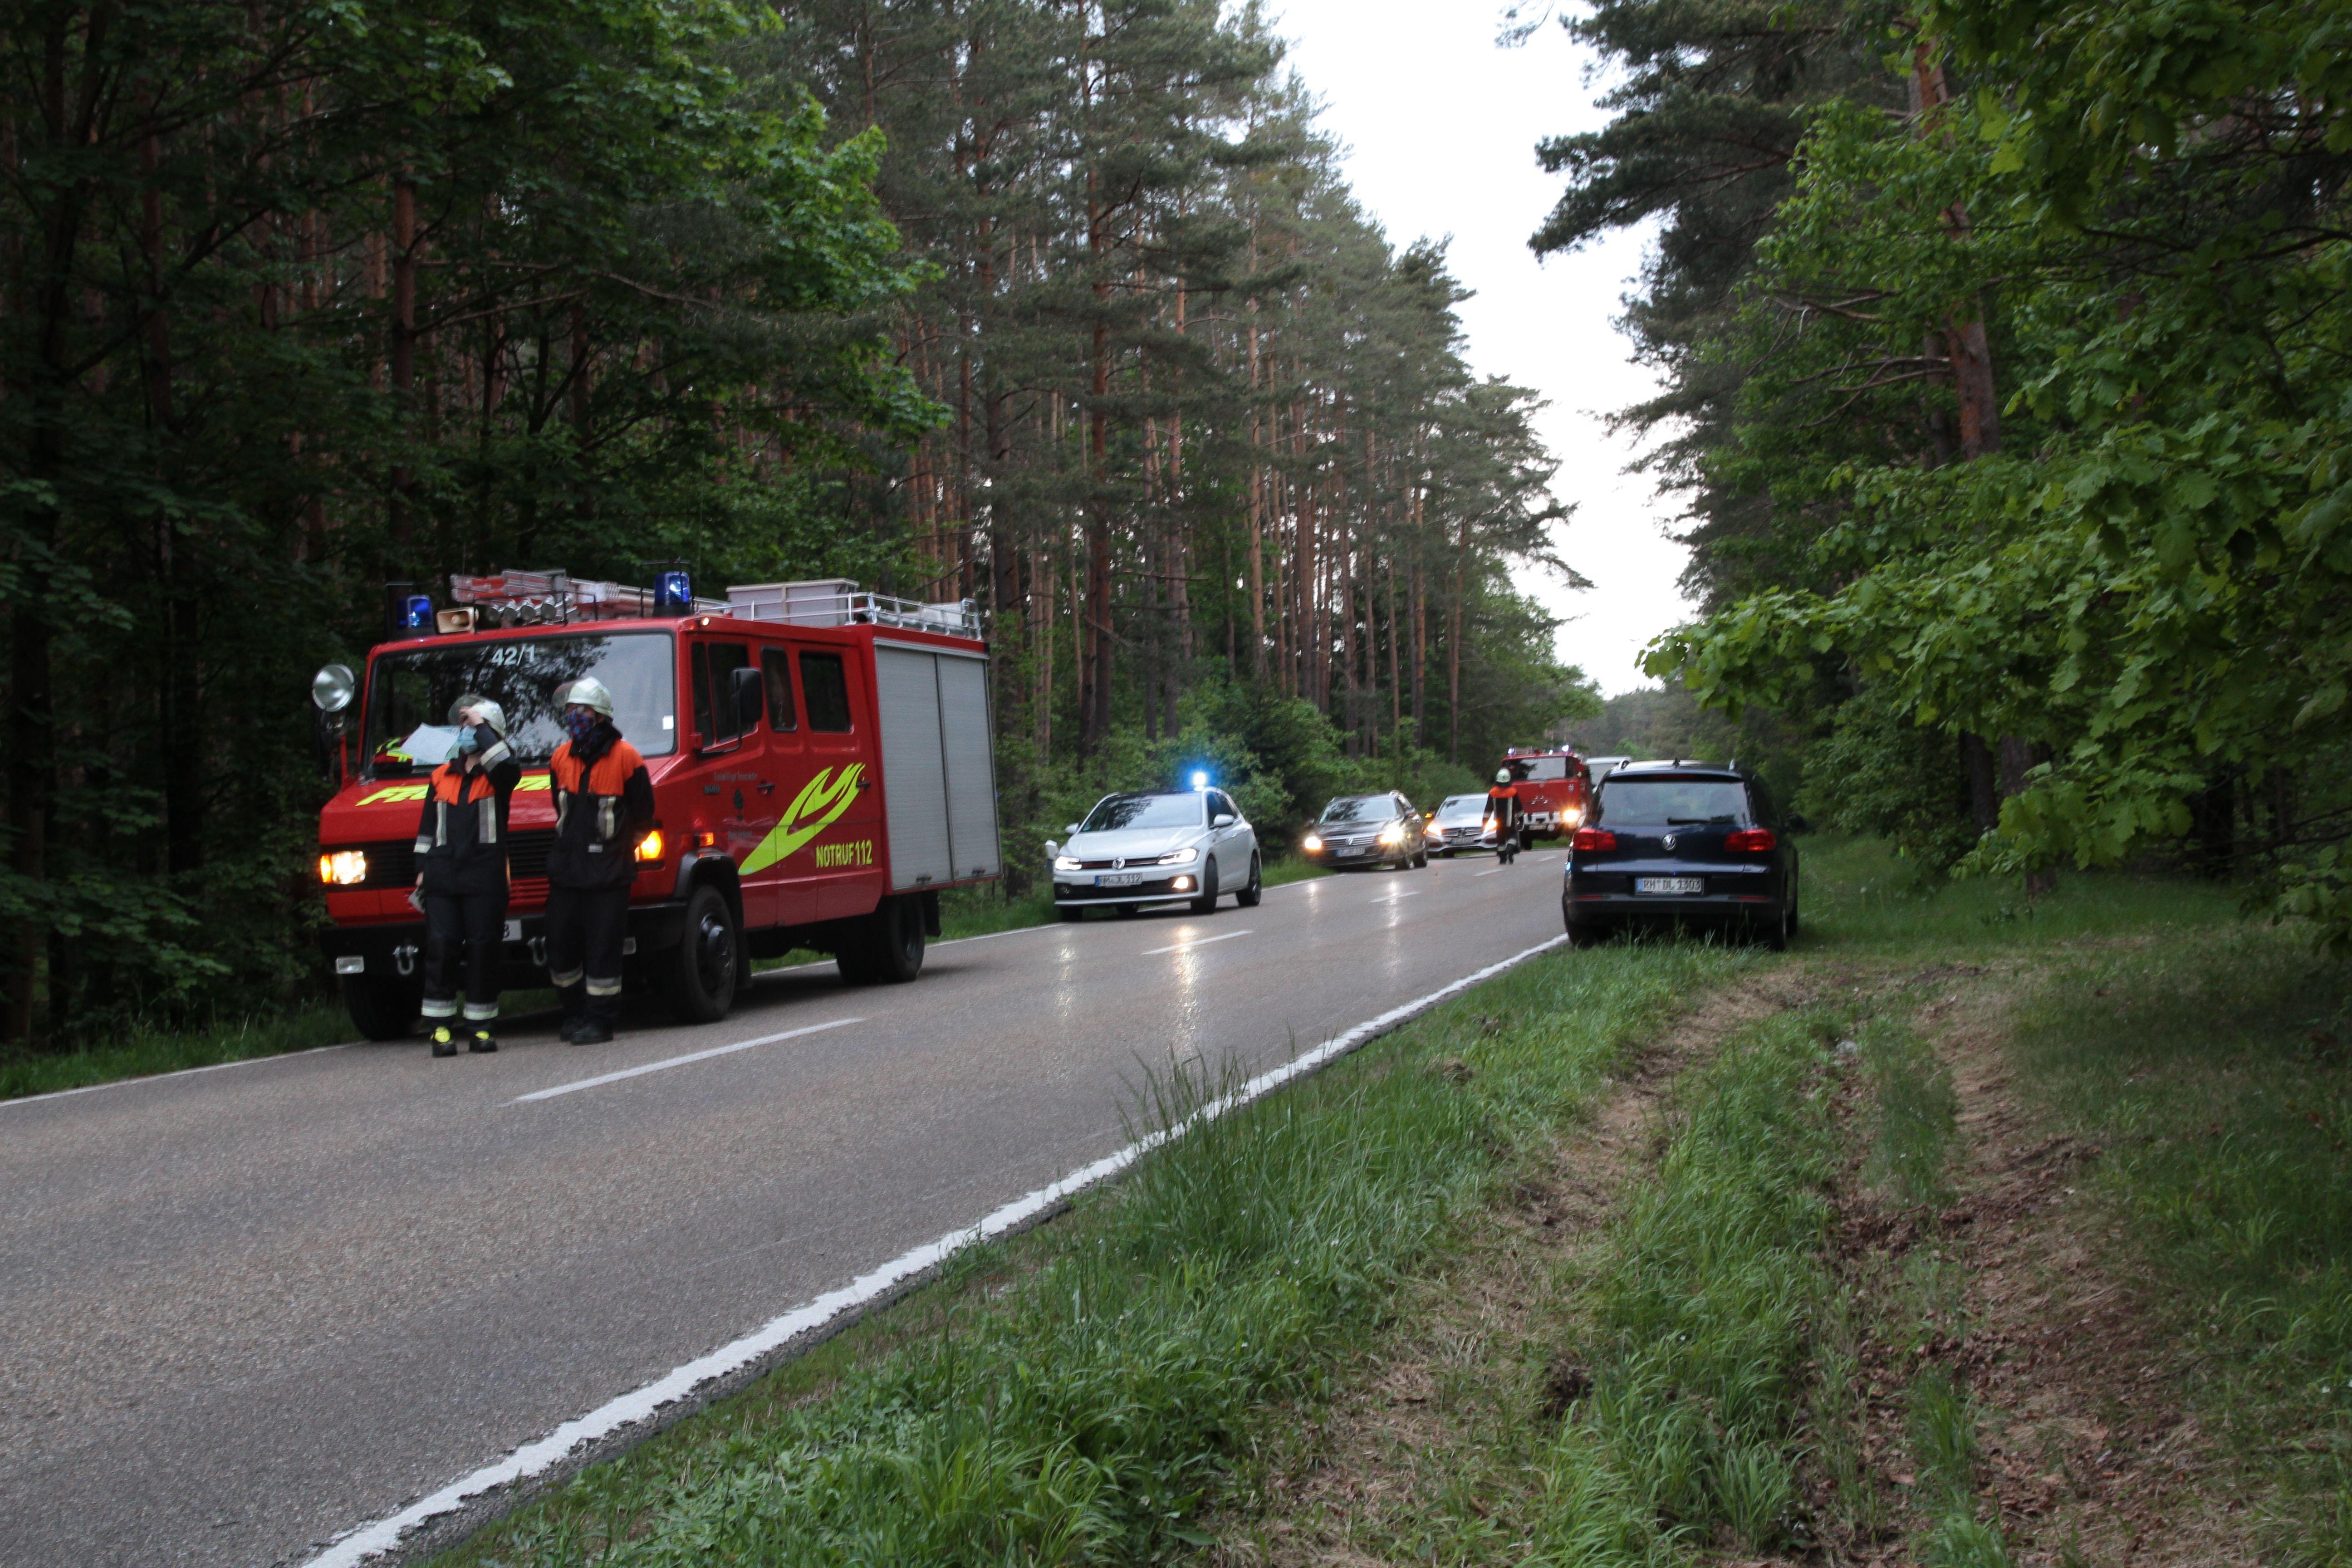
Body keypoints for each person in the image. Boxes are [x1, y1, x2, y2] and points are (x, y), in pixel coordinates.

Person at [544, 676, 656, 1045]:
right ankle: (575, 1013)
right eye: (571, 710)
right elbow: (559, 809)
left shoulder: (627, 757)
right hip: (567, 872)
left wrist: (617, 850)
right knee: (560, 948)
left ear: (602, 716)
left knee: (603, 952)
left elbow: (643, 816)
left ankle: (601, 1021)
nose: (575, 716)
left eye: (583, 710)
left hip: (608, 875)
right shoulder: (561, 757)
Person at [413, 699, 521, 1056]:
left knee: (483, 950)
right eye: (464, 727)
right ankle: (440, 1029)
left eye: (473, 727)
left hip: (484, 878)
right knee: (441, 949)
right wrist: (420, 870)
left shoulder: (500, 775)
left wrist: (480, 724)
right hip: (442, 877)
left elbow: (507, 764)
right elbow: (427, 831)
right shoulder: (440, 776)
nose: (467, 732)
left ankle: (481, 1027)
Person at [1485, 767, 1522, 866]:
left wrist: (1484, 822)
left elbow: (1488, 809)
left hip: (1498, 822)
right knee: (1512, 836)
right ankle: (1510, 847)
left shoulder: (1493, 792)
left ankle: (1502, 859)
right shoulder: (1513, 791)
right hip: (1510, 822)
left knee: (1501, 840)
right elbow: (1519, 808)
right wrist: (1521, 820)